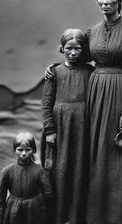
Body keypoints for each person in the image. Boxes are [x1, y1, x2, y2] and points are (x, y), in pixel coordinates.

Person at [45, 0, 122, 224]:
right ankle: (93, 214)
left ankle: (119, 215)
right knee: (93, 154)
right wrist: (54, 66)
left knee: (117, 154)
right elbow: (76, 56)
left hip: (119, 95)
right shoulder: (92, 31)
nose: (105, 2)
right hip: (94, 97)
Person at [41, 28, 94, 224]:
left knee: (79, 170)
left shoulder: (90, 72)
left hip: (82, 129)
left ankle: (76, 216)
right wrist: (50, 130)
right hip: (60, 128)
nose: (73, 53)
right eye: (68, 48)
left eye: (77, 48)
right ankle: (57, 216)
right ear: (62, 48)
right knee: (58, 170)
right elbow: (46, 103)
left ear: (84, 50)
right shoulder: (55, 72)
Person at [0, 132, 52, 224]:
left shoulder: (40, 171)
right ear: (15, 150)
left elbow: (48, 194)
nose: (24, 153)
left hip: (35, 210)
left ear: (33, 150)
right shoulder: (7, 171)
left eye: (28, 149)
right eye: (20, 149)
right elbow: (0, 197)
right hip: (14, 209)